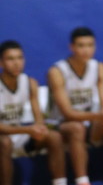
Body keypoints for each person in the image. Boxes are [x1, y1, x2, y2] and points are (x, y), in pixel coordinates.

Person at [46, 27, 103, 185]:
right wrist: (99, 115)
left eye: (90, 45)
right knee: (76, 127)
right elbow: (68, 113)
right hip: (60, 125)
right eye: (81, 45)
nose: (86, 50)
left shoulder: (99, 68)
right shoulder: (57, 71)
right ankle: (82, 181)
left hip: (89, 120)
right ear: (72, 47)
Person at [0, 40, 65, 185]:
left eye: (20, 58)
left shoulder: (30, 83)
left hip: (19, 133)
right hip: (4, 136)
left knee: (53, 137)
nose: (17, 63)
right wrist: (27, 129)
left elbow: (39, 118)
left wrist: (40, 128)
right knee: (4, 142)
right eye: (10, 59)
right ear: (1, 63)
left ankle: (60, 182)